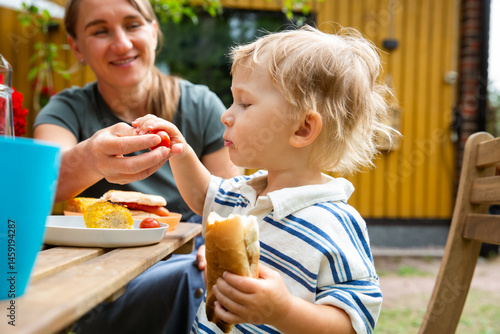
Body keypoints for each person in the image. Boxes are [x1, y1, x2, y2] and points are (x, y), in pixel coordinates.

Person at [133, 25, 397, 334]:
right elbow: (202, 194)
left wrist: (282, 311)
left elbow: (354, 324)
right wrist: (179, 151)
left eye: (244, 104)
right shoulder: (247, 192)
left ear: (301, 129)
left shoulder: (335, 222)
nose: (226, 115)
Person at [33, 0, 240, 333]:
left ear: (154, 31)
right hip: (101, 289)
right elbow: (38, 183)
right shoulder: (66, 109)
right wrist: (90, 158)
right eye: (100, 30)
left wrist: (214, 256)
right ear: (76, 46)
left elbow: (233, 205)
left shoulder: (200, 105)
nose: (122, 44)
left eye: (132, 25)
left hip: (190, 272)